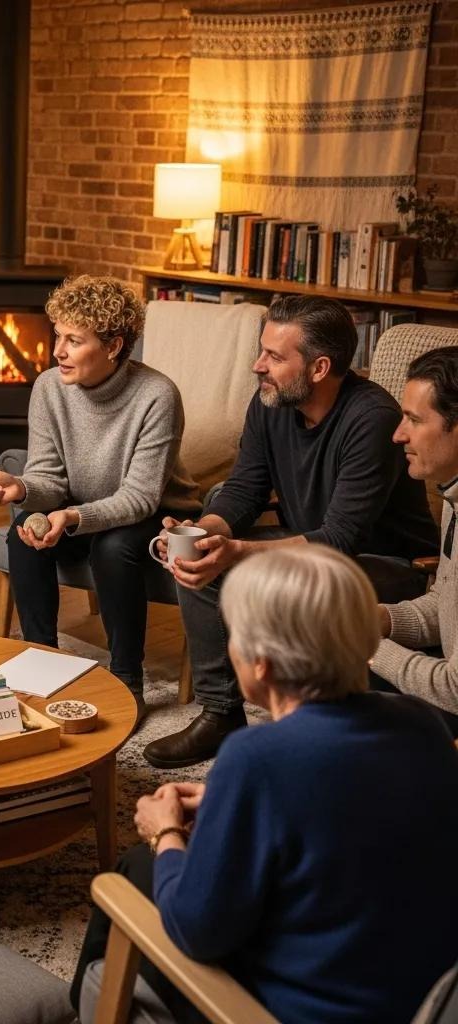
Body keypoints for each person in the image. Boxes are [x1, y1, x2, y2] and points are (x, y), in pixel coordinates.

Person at [72, 546, 458, 1024]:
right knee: (139, 867)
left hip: (301, 1008)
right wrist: (234, 803)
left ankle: (91, 1004)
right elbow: (349, 803)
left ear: (262, 664)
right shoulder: (421, 723)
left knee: (131, 873)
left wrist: (164, 832)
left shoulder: (257, 756)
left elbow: (198, 931)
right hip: (424, 995)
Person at [144, 294, 437, 769]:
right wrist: (203, 531)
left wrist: (235, 551)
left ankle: (308, 726)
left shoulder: (373, 419)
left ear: (319, 368)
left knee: (229, 563)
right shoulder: (272, 401)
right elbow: (244, 490)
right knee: (202, 560)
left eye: (275, 356)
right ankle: (221, 713)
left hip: (386, 565)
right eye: (262, 351)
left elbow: (342, 538)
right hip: (312, 548)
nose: (258, 366)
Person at [0, 275, 199, 704]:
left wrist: (73, 517)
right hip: (79, 507)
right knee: (25, 538)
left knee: (112, 547)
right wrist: (19, 489)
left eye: (74, 340)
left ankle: (128, 680)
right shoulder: (49, 388)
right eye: (58, 336)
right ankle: (42, 659)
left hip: (152, 515)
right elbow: (49, 480)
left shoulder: (157, 396)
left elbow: (141, 497)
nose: (57, 352)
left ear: (113, 346)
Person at [371, 346, 458, 731]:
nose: (397, 434)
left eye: (413, 419)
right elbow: (447, 601)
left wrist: (365, 648)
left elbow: (455, 690)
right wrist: (382, 619)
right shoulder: (453, 496)